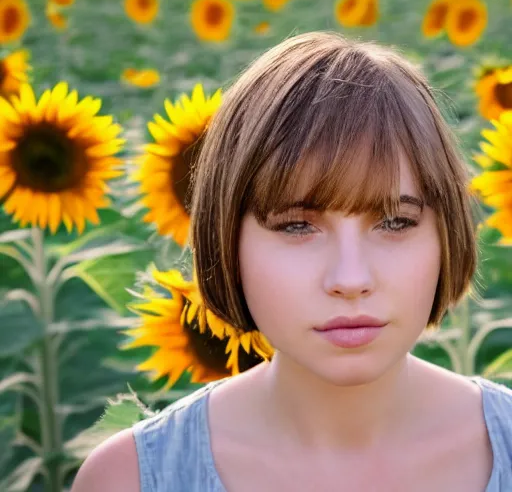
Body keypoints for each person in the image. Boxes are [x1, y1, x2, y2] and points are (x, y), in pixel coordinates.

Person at [71, 31, 512, 492]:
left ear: (447, 235)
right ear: (227, 238)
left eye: (396, 222)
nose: (351, 278)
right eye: (297, 226)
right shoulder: (130, 479)